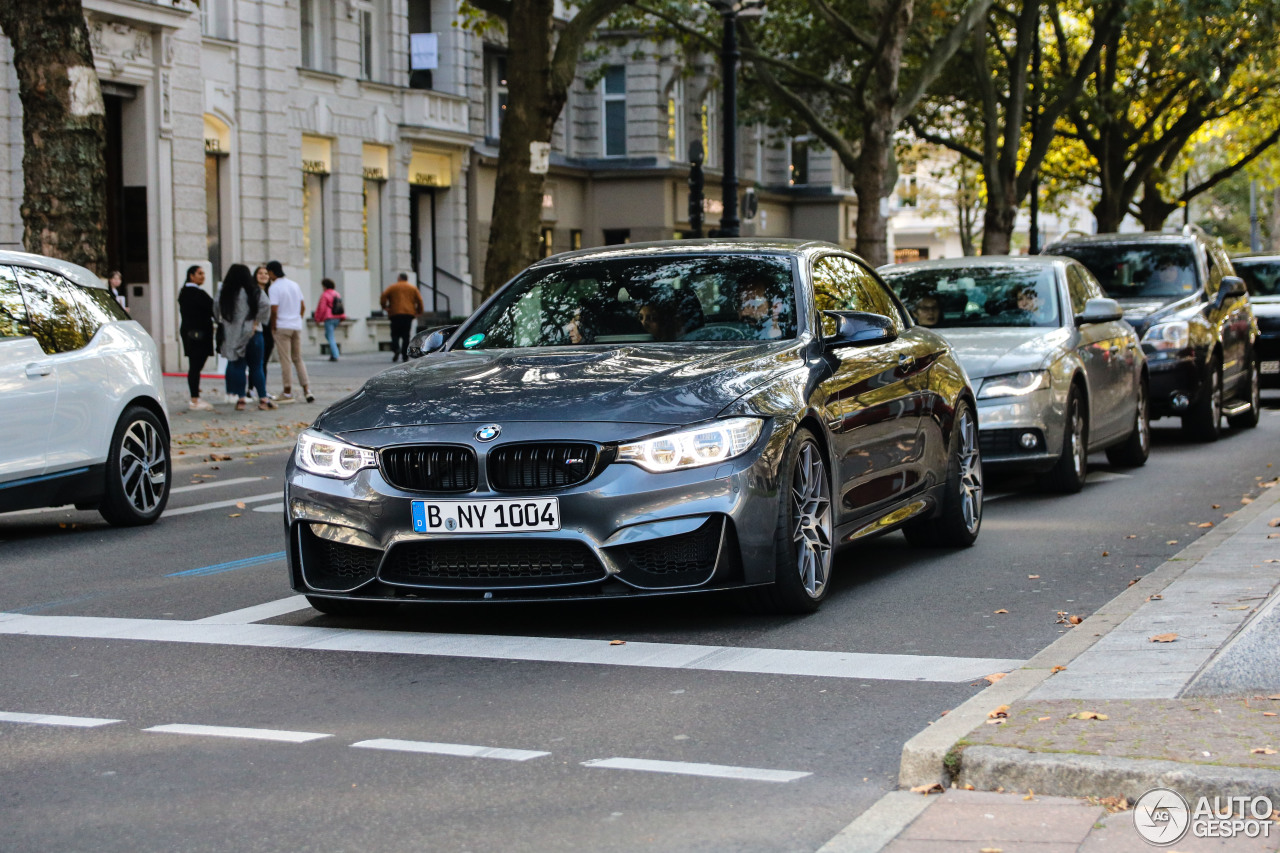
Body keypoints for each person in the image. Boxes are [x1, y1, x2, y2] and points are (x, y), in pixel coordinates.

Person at [218, 263, 276, 412]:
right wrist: (256, 321)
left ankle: (241, 399)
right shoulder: (254, 291)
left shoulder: (225, 292)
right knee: (256, 366)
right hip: (254, 333)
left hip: (233, 334)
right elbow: (266, 305)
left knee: (238, 365)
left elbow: (216, 309)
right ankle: (263, 398)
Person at [265, 260, 313, 403]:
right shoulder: (294, 285)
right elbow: (302, 306)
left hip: (282, 325)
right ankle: (307, 390)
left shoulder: (274, 288)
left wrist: (273, 326)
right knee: (298, 358)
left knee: (285, 359)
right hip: (295, 326)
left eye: (268, 273)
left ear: (272, 272)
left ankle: (287, 391)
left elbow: (274, 310)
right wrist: (298, 319)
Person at [177, 265, 216, 411]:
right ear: (191, 276)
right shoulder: (196, 293)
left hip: (191, 333)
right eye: (200, 273)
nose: (203, 276)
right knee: (195, 367)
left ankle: (195, 396)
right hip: (198, 334)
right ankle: (194, 399)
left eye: (203, 273)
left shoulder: (185, 292)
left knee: (195, 366)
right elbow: (213, 308)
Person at [381, 272, 423, 362]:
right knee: (406, 335)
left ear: (399, 278)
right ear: (407, 279)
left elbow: (384, 295)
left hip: (395, 313)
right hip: (408, 314)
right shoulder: (412, 288)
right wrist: (419, 311)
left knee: (394, 334)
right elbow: (419, 300)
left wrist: (385, 306)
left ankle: (396, 349)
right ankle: (405, 356)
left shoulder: (392, 287)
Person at [314, 278, 347, 361]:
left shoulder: (325, 295)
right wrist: (342, 317)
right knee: (328, 335)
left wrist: (318, 318)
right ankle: (333, 353)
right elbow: (340, 306)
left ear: (325, 286)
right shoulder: (337, 294)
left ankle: (335, 355)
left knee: (330, 336)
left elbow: (322, 308)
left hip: (329, 318)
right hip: (337, 318)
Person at [254, 265, 276, 386]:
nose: (263, 276)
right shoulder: (253, 292)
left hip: (268, 331)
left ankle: (262, 389)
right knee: (256, 362)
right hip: (256, 329)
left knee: (264, 362)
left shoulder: (271, 292)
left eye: (266, 273)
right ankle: (251, 389)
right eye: (260, 273)